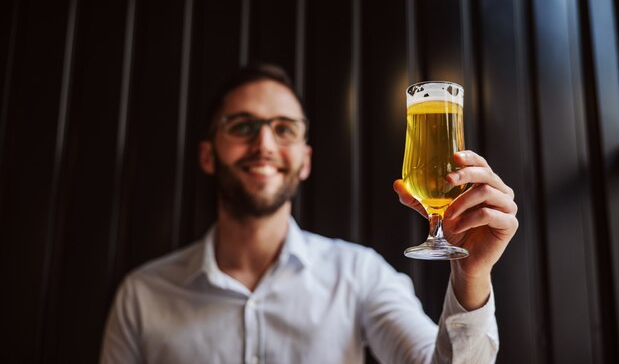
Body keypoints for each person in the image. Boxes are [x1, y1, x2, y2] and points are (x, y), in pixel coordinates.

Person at [100, 63, 518, 364]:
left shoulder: (359, 274)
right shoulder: (142, 296)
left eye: (284, 129)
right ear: (208, 155)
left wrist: (471, 276)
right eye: (242, 126)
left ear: (305, 160)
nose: (264, 144)